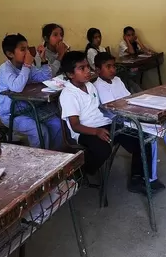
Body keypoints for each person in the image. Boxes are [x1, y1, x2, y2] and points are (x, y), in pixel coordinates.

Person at [59, 51, 159, 194]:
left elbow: (99, 109)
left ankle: (137, 179)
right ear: (70, 74)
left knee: (142, 138)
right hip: (85, 130)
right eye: (82, 68)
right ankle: (81, 172)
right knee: (103, 149)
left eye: (87, 66)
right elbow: (75, 125)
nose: (88, 71)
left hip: (104, 123)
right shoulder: (68, 94)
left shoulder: (90, 86)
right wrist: (96, 131)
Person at [94, 52, 166, 176]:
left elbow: (129, 97)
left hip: (132, 111)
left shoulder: (117, 80)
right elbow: (113, 109)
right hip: (121, 120)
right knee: (151, 133)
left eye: (113, 66)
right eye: (108, 67)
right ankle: (149, 177)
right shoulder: (98, 86)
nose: (113, 70)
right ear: (97, 70)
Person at [0, 34, 62, 150]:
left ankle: (57, 154)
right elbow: (16, 87)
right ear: (10, 54)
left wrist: (43, 61)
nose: (28, 53)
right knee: (40, 131)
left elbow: (44, 77)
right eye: (23, 50)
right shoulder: (5, 69)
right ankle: (40, 161)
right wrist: (27, 65)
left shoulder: (26, 66)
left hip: (29, 108)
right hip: (12, 114)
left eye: (28, 48)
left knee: (56, 123)